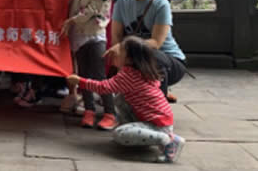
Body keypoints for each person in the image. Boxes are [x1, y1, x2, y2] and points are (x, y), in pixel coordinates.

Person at [67, 35, 186, 163]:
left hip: (157, 125)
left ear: (129, 59)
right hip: (160, 120)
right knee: (120, 98)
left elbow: (104, 87)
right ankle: (142, 135)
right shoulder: (142, 71)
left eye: (120, 52)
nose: (116, 54)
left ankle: (168, 140)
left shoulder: (129, 75)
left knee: (119, 134)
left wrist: (80, 81)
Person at [106, 0, 187, 97]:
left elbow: (156, 42)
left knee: (151, 56)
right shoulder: (122, 1)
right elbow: (116, 36)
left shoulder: (161, 4)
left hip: (169, 61)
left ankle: (158, 104)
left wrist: (125, 48)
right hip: (136, 56)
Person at [61, 0, 116, 130]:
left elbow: (92, 11)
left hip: (94, 35)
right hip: (79, 35)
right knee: (82, 75)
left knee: (99, 76)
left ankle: (110, 113)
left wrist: (72, 21)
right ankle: (89, 110)